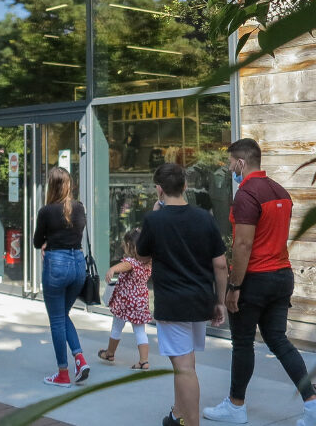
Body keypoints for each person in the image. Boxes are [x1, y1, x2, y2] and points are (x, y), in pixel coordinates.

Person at [204, 139, 316, 425]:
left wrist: (234, 287)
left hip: (255, 279)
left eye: (231, 163)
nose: (230, 168)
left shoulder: (246, 194)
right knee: (278, 340)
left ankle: (235, 406)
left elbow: (243, 245)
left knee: (243, 343)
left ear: (241, 162)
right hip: (282, 276)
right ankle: (312, 404)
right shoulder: (281, 191)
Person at [140, 162, 231, 426]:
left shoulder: (154, 220)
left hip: (172, 303)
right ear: (185, 186)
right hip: (200, 300)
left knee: (184, 368)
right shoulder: (205, 217)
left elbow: (142, 257)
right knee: (186, 362)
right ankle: (177, 414)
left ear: (159, 189)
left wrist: (155, 213)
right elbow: (220, 264)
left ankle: (190, 422)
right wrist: (220, 301)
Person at [34, 167, 94, 387]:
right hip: (78, 265)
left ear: (51, 186)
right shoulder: (79, 207)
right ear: (70, 184)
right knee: (62, 315)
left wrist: (48, 242)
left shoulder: (46, 211)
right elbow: (75, 235)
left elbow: (36, 241)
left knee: (57, 319)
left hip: (56, 266)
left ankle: (62, 374)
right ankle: (80, 359)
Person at [101, 228, 155, 370]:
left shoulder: (132, 261)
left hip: (125, 303)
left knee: (116, 327)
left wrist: (112, 269)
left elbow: (125, 265)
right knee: (140, 331)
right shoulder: (149, 262)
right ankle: (144, 361)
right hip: (140, 301)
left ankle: (110, 353)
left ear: (131, 246)